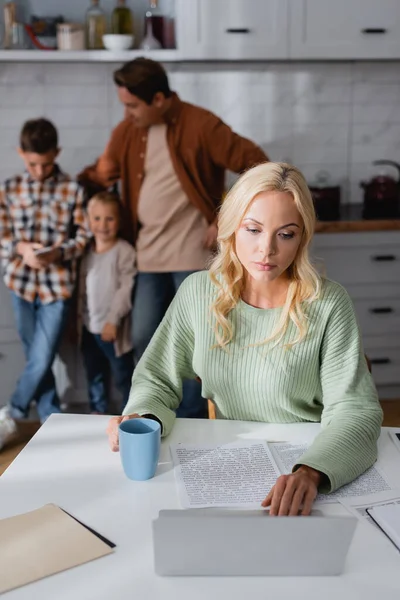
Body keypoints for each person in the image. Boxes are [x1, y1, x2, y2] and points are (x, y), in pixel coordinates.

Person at [106, 161, 383, 516]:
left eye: (286, 234)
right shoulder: (198, 293)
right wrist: (142, 418)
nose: (266, 250)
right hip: (232, 465)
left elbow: (355, 410)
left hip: (311, 460)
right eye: (253, 229)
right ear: (231, 226)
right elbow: (157, 380)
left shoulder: (329, 304)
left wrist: (312, 472)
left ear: (302, 238)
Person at [79, 57, 268, 419]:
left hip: (193, 256)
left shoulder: (202, 124)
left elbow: (257, 164)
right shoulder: (127, 131)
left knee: (196, 344)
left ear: (160, 99)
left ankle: (192, 421)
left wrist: (226, 216)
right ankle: (155, 415)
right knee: (145, 337)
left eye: (133, 105)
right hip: (146, 255)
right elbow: (102, 173)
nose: (127, 112)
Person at [0, 118, 90, 450]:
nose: (40, 171)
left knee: (41, 356)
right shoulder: (9, 189)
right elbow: (2, 236)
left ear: (58, 153)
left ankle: (12, 412)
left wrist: (57, 253)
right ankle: (51, 420)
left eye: (47, 163)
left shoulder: (72, 188)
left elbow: (83, 237)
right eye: (33, 163)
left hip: (57, 287)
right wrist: (21, 248)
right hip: (20, 285)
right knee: (37, 359)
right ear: (21, 154)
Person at [78, 191, 136, 414]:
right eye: (97, 218)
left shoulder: (124, 251)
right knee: (94, 373)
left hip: (112, 329)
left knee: (123, 375)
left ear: (119, 221)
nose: (103, 225)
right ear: (88, 220)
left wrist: (113, 321)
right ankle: (98, 413)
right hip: (88, 327)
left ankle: (129, 414)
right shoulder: (85, 253)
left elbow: (125, 289)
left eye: (109, 219)